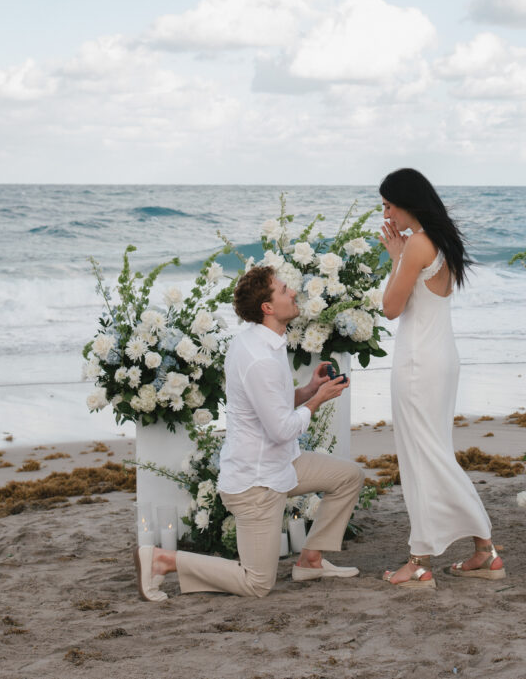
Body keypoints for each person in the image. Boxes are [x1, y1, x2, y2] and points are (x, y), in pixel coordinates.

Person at [134, 264, 365, 601]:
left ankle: (311, 560)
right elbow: (283, 428)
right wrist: (318, 400)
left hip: (281, 465)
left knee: (349, 477)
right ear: (267, 307)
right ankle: (162, 560)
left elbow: (271, 404)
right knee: (256, 583)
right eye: (285, 289)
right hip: (256, 483)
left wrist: (308, 389)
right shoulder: (259, 358)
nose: (294, 293)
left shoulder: (259, 342)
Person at [377, 168, 506, 589]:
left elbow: (391, 308)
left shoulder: (416, 244)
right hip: (440, 357)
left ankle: (419, 561)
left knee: (424, 456)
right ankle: (484, 552)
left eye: (389, 205)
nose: (386, 213)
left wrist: (396, 257)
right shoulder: (442, 241)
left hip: (418, 363)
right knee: (433, 452)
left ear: (407, 203)